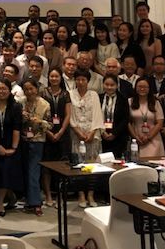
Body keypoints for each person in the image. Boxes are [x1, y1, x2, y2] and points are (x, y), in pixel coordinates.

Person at [69, 69, 104, 207]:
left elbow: (98, 114)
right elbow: (70, 115)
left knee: (92, 165)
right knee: (78, 164)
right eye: (78, 79)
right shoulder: (70, 94)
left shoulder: (93, 95)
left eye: (83, 79)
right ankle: (81, 194)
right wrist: (78, 132)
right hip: (76, 134)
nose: (80, 82)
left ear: (88, 81)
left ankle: (90, 194)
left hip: (92, 134)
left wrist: (92, 132)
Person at [0, 78, 22, 216]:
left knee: (5, 173)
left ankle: (0, 204)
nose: (1, 91)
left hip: (11, 144)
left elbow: (17, 128)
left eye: (4, 89)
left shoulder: (15, 107)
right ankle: (11, 196)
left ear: (9, 91)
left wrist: (13, 148)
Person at [41, 68, 71, 208]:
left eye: (56, 76)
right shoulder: (43, 92)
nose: (54, 79)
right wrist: (48, 132)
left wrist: (60, 132)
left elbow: (68, 115)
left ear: (60, 78)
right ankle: (48, 195)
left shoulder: (66, 94)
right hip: (47, 133)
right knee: (46, 167)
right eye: (51, 76)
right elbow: (40, 115)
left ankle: (60, 196)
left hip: (62, 134)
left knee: (62, 166)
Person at [21, 78, 50, 216]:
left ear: (36, 89)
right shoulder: (20, 102)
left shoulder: (44, 104)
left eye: (31, 89)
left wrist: (39, 121)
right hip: (22, 140)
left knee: (34, 172)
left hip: (38, 140)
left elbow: (50, 125)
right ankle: (28, 199)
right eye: (26, 89)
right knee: (25, 171)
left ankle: (36, 203)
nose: (29, 92)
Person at [129, 77, 165, 158]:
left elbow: (159, 123)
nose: (142, 89)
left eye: (145, 87)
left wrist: (148, 137)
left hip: (153, 139)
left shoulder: (155, 102)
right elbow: (128, 122)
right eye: (139, 86)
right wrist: (135, 137)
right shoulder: (129, 102)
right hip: (136, 140)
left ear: (149, 88)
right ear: (135, 87)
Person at [99, 74, 130, 159]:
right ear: (103, 85)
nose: (109, 87)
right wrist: (102, 132)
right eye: (106, 84)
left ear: (117, 85)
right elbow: (96, 117)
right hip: (102, 135)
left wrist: (114, 133)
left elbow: (125, 118)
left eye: (112, 85)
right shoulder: (99, 98)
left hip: (118, 137)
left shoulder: (123, 99)